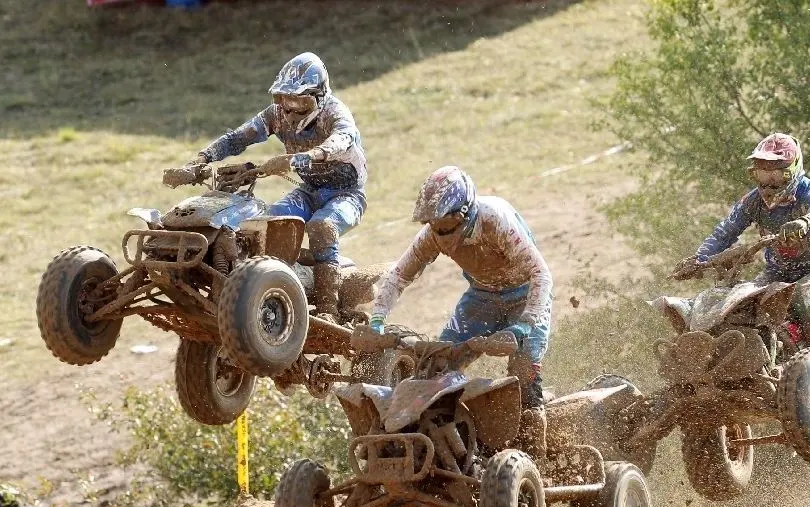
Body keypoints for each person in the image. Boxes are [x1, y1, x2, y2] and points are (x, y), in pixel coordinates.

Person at [369, 166, 554, 458]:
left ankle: (539, 462)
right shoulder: (430, 235)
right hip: (482, 298)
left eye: (448, 224)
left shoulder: (495, 219)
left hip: (526, 295)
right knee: (439, 365)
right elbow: (398, 276)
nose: (441, 234)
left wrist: (525, 325)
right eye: (434, 225)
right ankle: (449, 450)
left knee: (524, 374)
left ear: (465, 212)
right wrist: (377, 320)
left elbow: (541, 275)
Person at [188, 52, 367, 323]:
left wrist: (303, 157)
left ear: (319, 96)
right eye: (284, 99)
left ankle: (328, 309)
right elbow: (239, 137)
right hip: (308, 189)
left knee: (322, 227)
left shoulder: (335, 113)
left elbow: (343, 139)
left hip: (347, 194)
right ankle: (272, 289)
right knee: (268, 226)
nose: (291, 109)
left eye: (300, 100)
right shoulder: (276, 115)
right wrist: (202, 158)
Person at [682, 132, 810, 353]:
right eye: (761, 175)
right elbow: (725, 232)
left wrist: (806, 222)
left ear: (793, 170)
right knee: (740, 300)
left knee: (805, 293)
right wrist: (700, 259)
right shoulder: (752, 201)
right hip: (775, 274)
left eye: (776, 176)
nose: (768, 184)